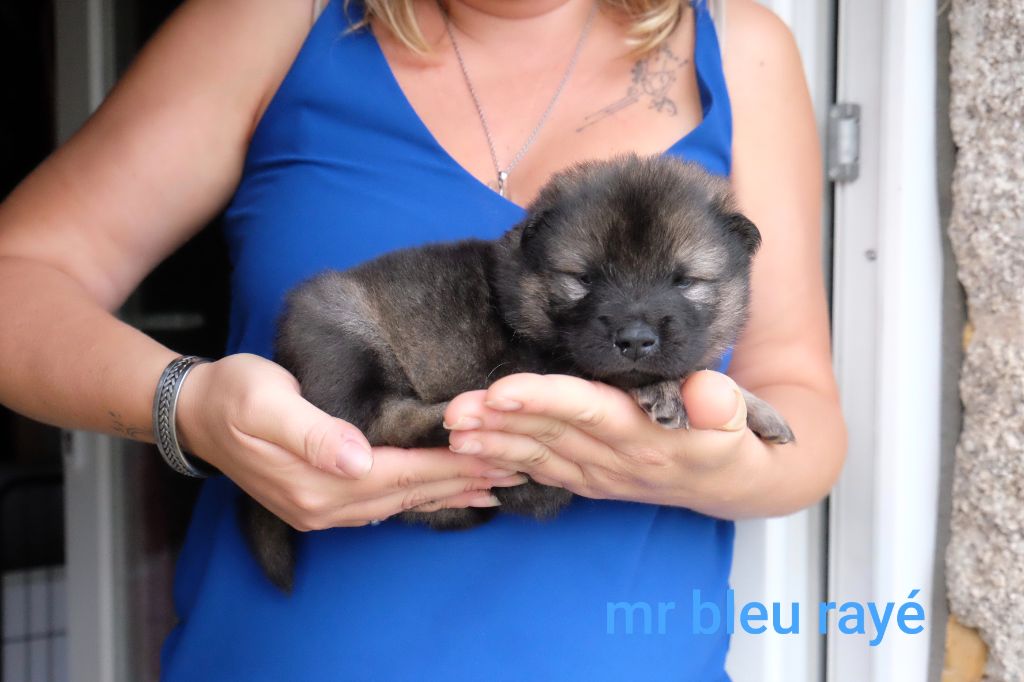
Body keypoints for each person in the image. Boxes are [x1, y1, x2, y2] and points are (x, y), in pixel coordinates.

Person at [0, 0, 846, 678]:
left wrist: (715, 464)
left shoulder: (741, 47)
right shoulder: (268, 19)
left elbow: (803, 411)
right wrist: (186, 407)